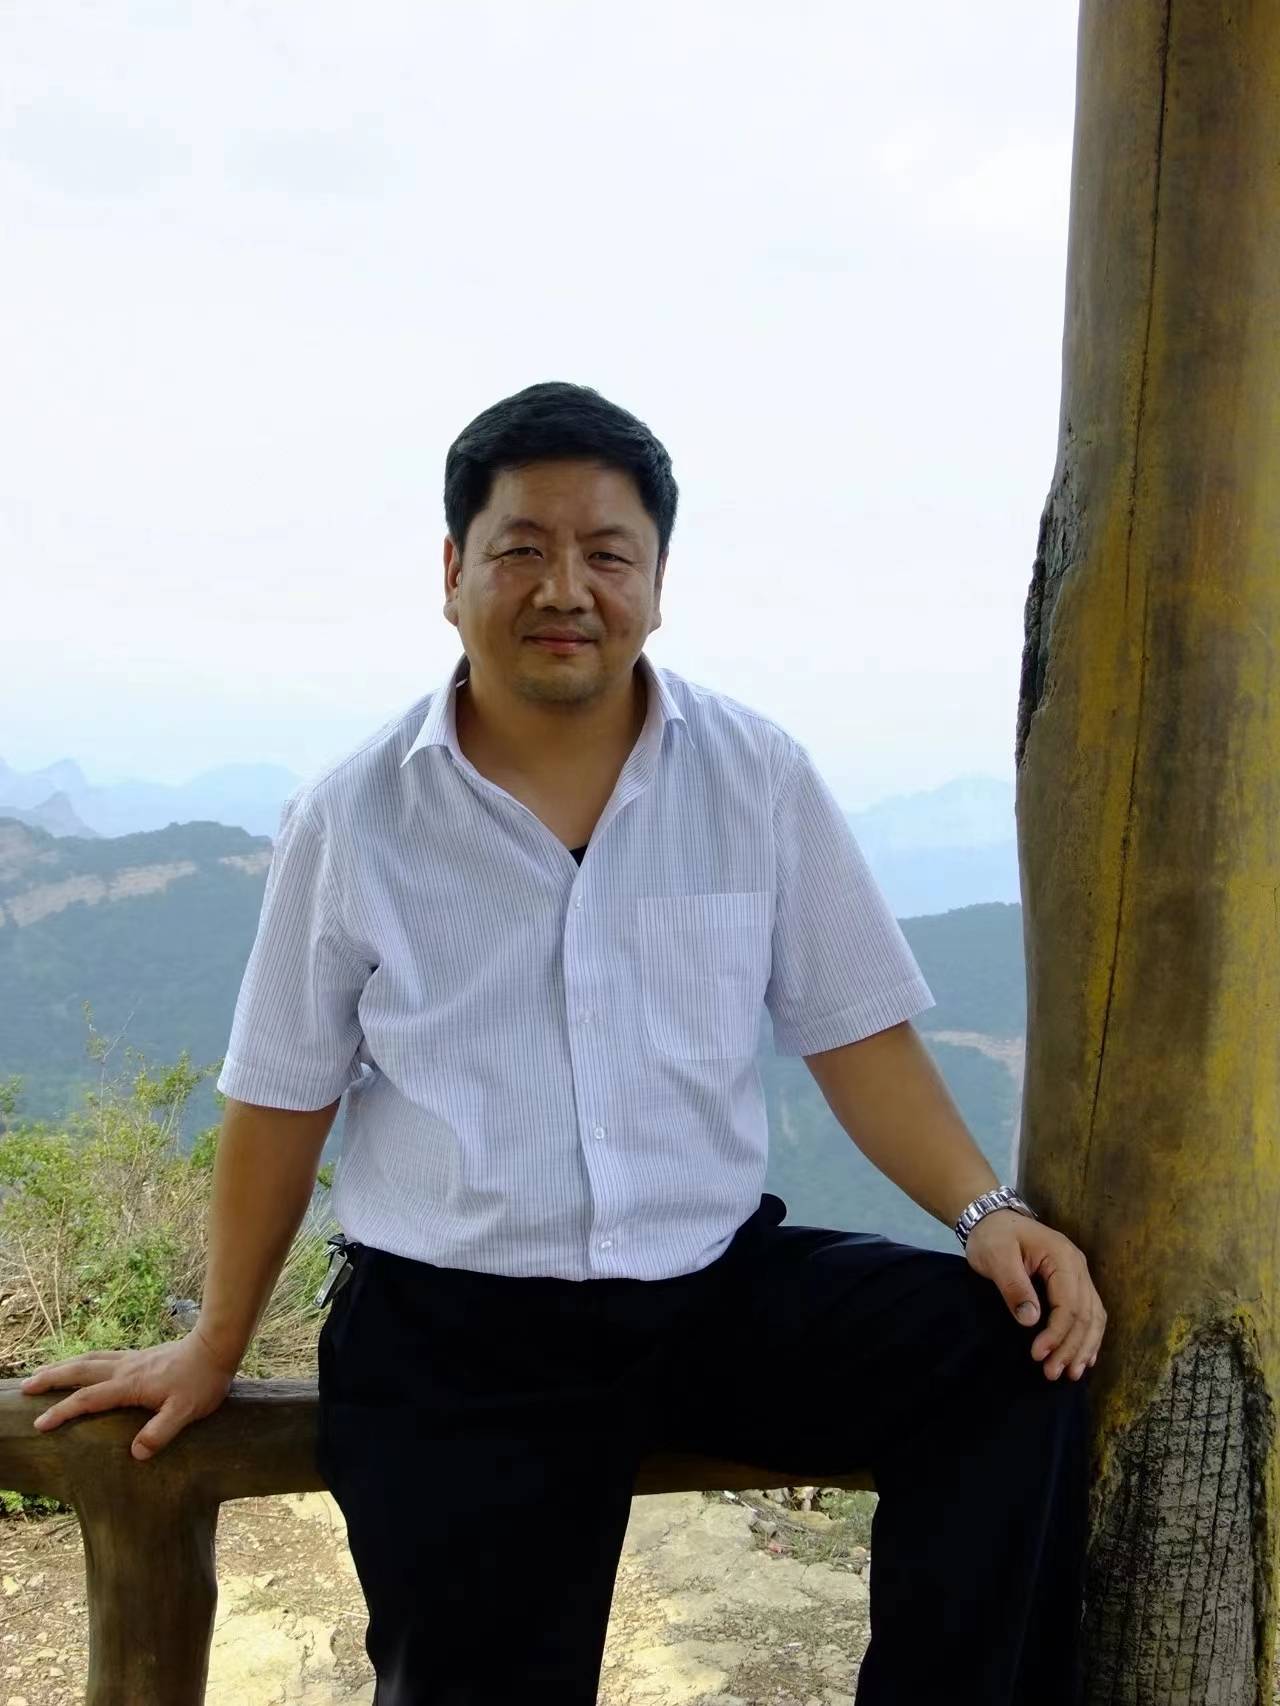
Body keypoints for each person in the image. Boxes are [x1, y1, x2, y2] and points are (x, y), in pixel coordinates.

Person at [22, 381, 1106, 1705]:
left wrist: (987, 1211)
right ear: (453, 572)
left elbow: (857, 1037)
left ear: (657, 581)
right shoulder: (356, 816)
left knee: (1004, 1357)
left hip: (708, 1285)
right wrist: (214, 1344)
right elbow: (280, 1100)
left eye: (607, 554)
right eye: (522, 548)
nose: (565, 588)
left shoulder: (755, 777)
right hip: (456, 1331)